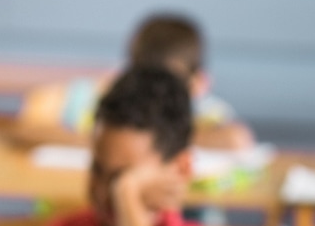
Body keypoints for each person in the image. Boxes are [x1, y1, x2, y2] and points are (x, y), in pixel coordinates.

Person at [30, 64, 209, 226]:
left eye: (121, 176)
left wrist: (127, 194)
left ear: (181, 168)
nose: (105, 190)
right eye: (97, 169)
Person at [15, 12, 254, 150]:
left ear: (198, 83)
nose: (157, 91)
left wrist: (146, 142)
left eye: (171, 83)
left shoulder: (204, 112)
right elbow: (29, 129)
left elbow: (237, 139)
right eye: (146, 79)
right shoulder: (107, 98)